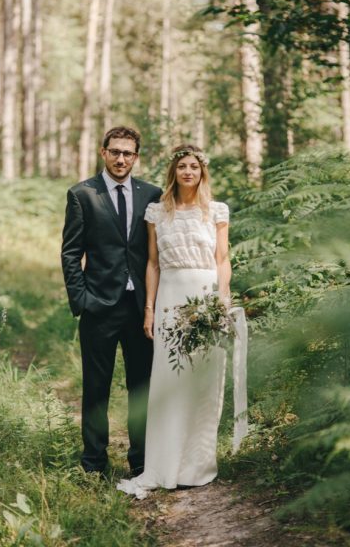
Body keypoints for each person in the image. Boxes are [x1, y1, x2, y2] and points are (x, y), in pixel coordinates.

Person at [117, 144, 232, 498]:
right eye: (182, 166)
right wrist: (149, 308)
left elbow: (223, 259)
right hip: (169, 296)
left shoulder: (216, 211)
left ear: (202, 172)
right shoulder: (157, 212)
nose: (187, 172)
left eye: (194, 167)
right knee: (170, 378)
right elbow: (151, 263)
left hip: (205, 296)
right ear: (174, 171)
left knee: (202, 380)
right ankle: (164, 463)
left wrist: (221, 302)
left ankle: (196, 465)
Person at [61, 126, 162, 476]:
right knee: (96, 388)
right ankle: (93, 464)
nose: (121, 159)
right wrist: (82, 300)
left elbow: (158, 251)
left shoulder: (153, 194)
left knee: (142, 386)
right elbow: (71, 253)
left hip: (141, 310)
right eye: (115, 151)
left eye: (128, 153)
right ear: (103, 152)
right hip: (99, 306)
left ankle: (142, 462)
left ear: (136, 157)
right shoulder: (82, 194)